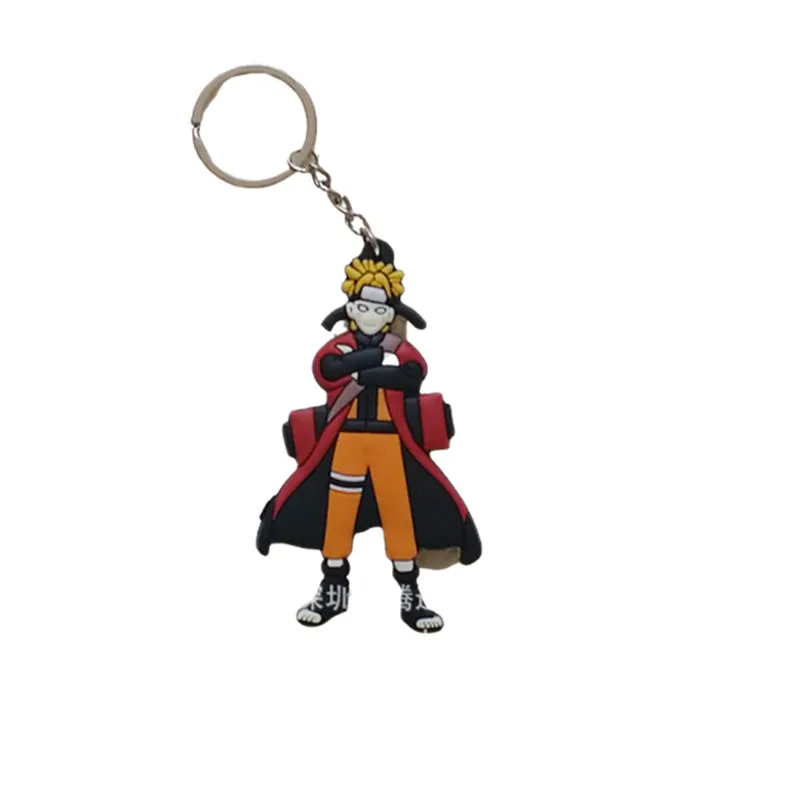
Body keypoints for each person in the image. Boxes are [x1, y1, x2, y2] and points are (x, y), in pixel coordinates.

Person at [256, 240, 481, 633]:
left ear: (391, 313)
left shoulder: (399, 348)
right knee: (337, 514)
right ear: (350, 309)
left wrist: (362, 372)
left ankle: (411, 593)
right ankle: (333, 588)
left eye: (380, 309)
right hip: (345, 443)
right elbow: (326, 369)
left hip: (390, 444)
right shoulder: (343, 347)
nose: (372, 315)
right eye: (364, 307)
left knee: (399, 514)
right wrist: (371, 363)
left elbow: (412, 373)